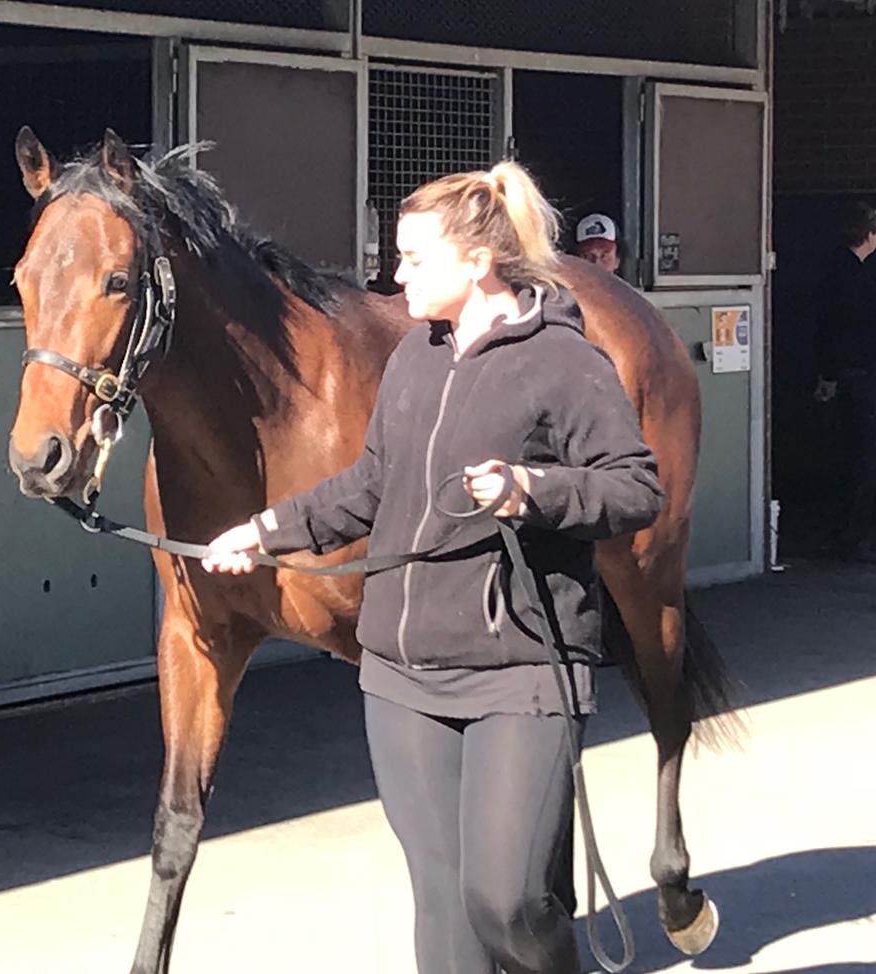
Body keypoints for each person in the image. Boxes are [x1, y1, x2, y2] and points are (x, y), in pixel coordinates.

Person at [202, 163, 663, 974]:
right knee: (444, 905)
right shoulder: (416, 357)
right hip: (403, 675)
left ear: (478, 261)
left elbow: (636, 488)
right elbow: (369, 485)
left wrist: (534, 490)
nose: (396, 275)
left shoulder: (564, 361)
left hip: (522, 670)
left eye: (415, 259)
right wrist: (265, 531)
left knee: (508, 902)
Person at [813, 199, 876, 561]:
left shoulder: (834, 271)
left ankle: (846, 533)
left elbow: (827, 329)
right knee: (864, 458)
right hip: (864, 374)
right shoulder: (861, 278)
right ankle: (854, 535)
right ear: (870, 235)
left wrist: (827, 375)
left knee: (852, 455)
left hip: (845, 374)